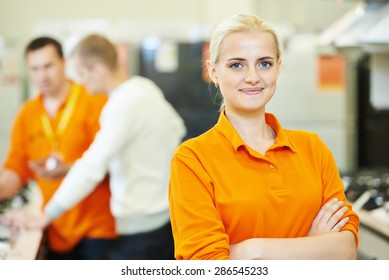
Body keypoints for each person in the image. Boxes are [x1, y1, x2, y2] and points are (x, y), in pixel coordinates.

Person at [168, 14, 360, 260]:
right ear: (214, 72)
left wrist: (253, 250)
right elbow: (208, 267)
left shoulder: (313, 148)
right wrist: (312, 246)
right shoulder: (192, 159)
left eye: (264, 63)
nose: (252, 77)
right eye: (237, 65)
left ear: (279, 68)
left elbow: (346, 250)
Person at [11, 34, 186, 260]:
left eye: (82, 74)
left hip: (141, 229)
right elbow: (178, 130)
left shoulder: (121, 105)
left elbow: (90, 168)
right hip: (164, 218)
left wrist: (46, 215)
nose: (80, 83)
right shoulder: (144, 87)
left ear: (98, 69)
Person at [0, 36, 117, 259]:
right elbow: (15, 169)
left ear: (64, 62)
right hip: (54, 228)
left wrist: (69, 168)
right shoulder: (26, 114)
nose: (42, 75)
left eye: (48, 66)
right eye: (34, 69)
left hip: (97, 229)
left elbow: (110, 164)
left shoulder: (93, 100)